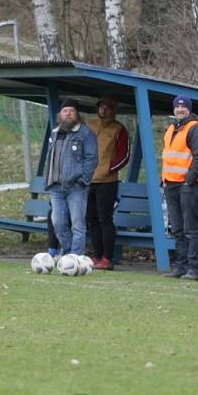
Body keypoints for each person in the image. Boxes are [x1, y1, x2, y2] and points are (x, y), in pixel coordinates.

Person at [43, 98, 98, 256]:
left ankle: (76, 256)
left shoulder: (86, 133)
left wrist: (83, 180)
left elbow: (91, 158)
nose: (68, 114)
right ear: (60, 114)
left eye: (72, 111)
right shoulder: (54, 132)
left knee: (77, 225)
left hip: (76, 187)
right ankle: (67, 254)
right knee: (58, 223)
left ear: (77, 114)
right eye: (65, 111)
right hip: (56, 187)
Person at [162, 95, 198, 280]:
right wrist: (163, 180)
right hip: (170, 184)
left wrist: (189, 180)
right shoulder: (171, 128)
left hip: (187, 185)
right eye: (177, 107)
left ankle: (194, 269)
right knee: (177, 229)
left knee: (190, 228)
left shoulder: (195, 128)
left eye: (183, 107)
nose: (180, 110)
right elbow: (167, 156)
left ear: (189, 109)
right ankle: (180, 267)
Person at [86, 97, 130, 270]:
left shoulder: (119, 129)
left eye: (108, 107)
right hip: (87, 180)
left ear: (114, 110)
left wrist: (109, 169)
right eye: (102, 107)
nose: (104, 110)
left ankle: (107, 258)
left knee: (105, 219)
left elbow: (124, 155)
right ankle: (96, 256)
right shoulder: (89, 126)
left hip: (107, 182)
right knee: (91, 219)